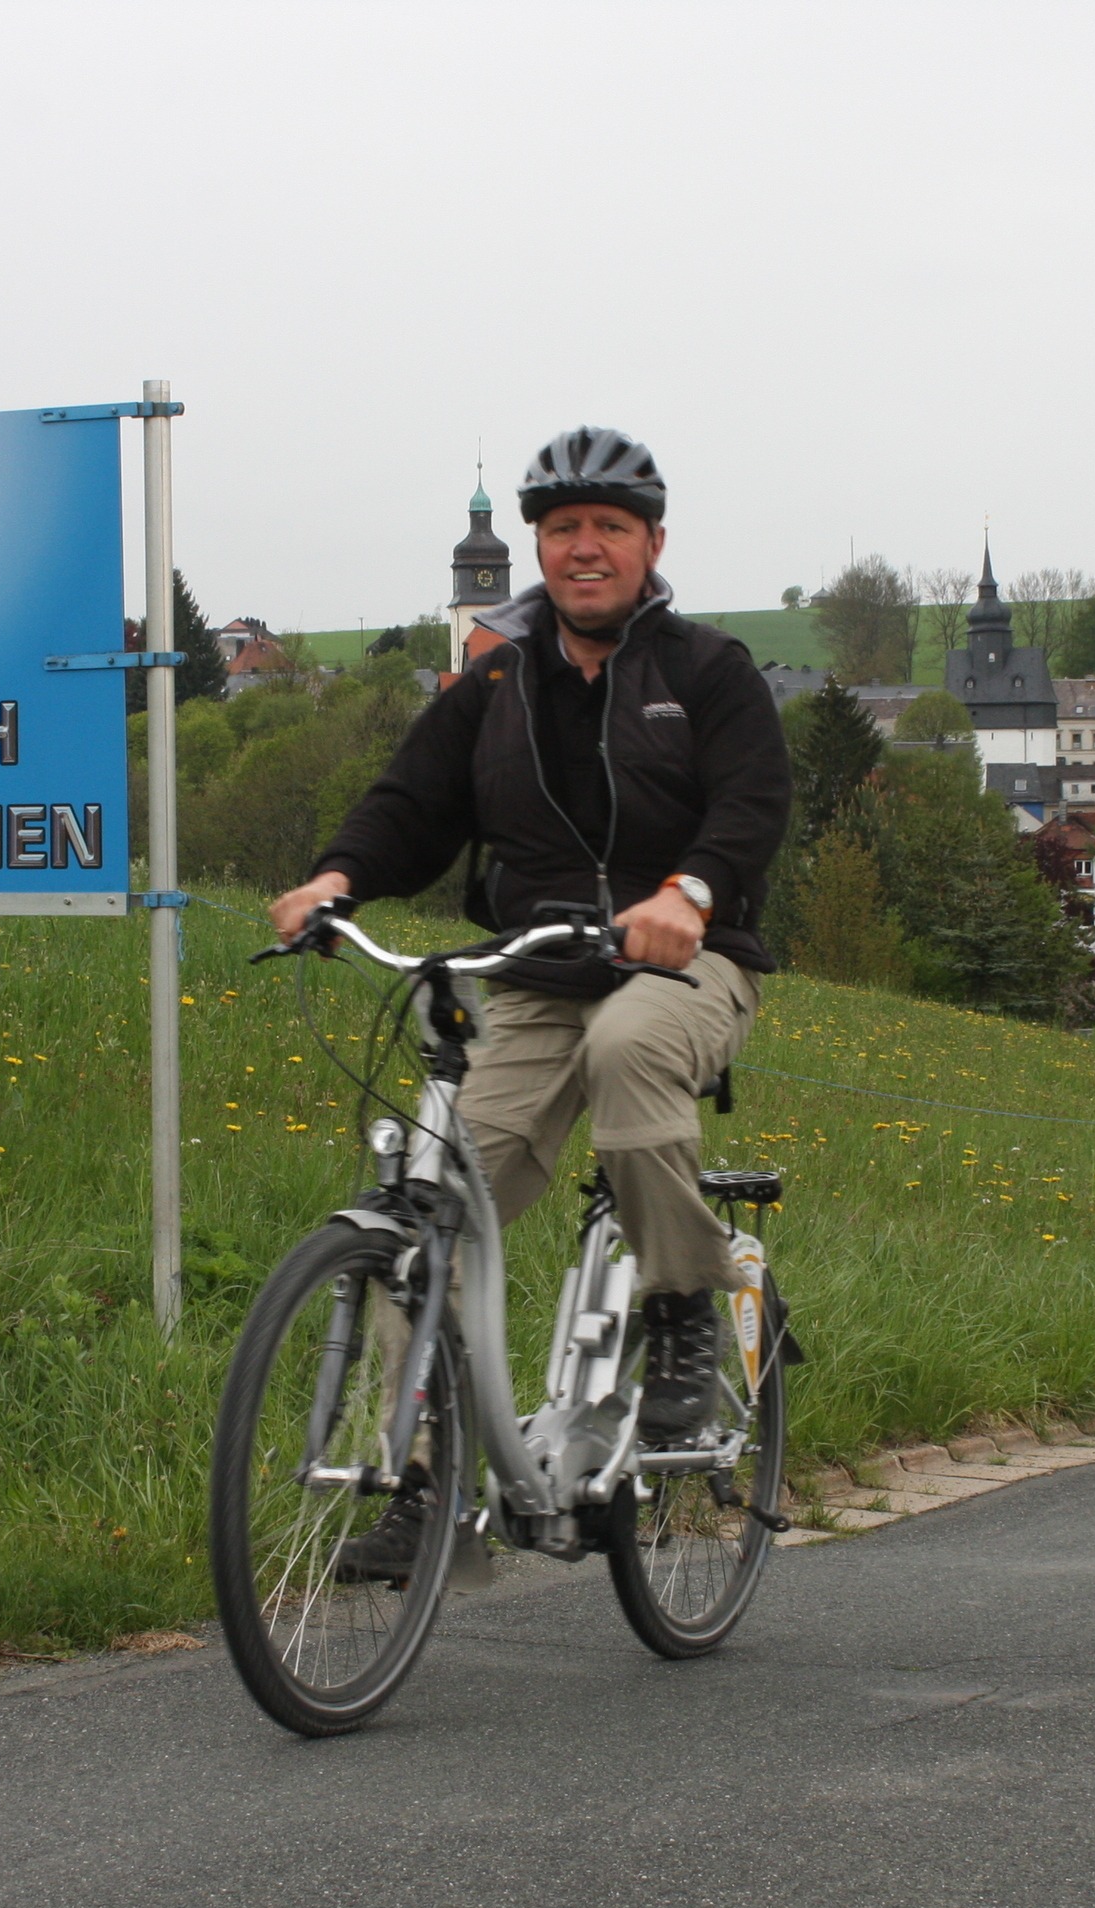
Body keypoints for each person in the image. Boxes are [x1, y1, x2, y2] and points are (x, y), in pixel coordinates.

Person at [271, 426, 791, 1484]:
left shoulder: (707, 670)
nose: (584, 547)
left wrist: (689, 892)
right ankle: (423, 1485)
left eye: (609, 527)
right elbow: (411, 805)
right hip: (541, 971)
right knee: (426, 1217)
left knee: (629, 1048)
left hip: (684, 962)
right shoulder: (495, 684)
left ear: (652, 544)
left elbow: (752, 802)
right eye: (563, 529)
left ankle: (681, 1308)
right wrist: (337, 879)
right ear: (539, 548)